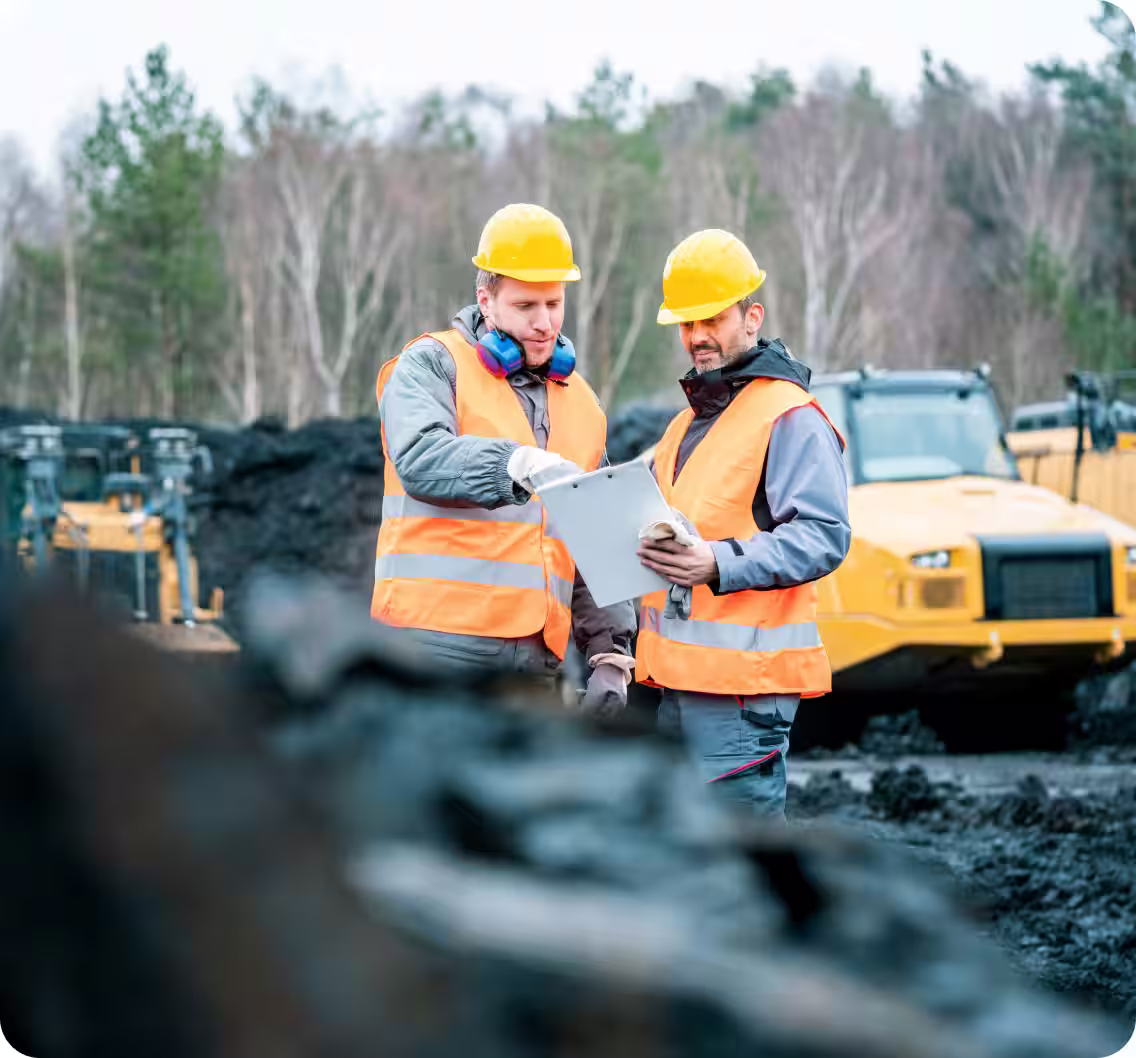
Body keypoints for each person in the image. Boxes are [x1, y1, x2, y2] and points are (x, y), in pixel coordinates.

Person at [372, 203, 636, 713]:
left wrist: (609, 656)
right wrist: (514, 463)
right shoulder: (431, 364)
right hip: (435, 653)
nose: (544, 323)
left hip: (534, 663)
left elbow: (600, 537)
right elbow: (421, 457)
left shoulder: (581, 402)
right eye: (525, 306)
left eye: (554, 304)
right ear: (485, 300)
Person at [635, 228, 851, 816]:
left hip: (740, 699)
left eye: (712, 319)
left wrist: (716, 562)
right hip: (677, 689)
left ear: (751, 318)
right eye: (686, 323)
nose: (697, 337)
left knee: (741, 877)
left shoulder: (789, 415)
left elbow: (823, 536)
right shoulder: (684, 427)